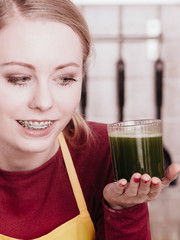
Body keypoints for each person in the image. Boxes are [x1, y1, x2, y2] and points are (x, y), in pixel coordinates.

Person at [0, 0, 179, 239]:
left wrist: (123, 208)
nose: (44, 102)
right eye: (19, 78)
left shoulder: (105, 150)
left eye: (65, 79)